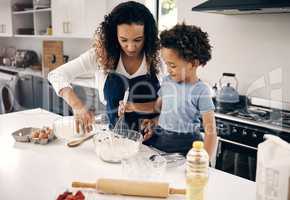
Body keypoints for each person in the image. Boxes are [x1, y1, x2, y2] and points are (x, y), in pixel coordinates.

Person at [48, 1, 161, 133]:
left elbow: (172, 103)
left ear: (147, 36)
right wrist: (77, 105)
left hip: (153, 140)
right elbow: (56, 74)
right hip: (115, 140)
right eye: (123, 40)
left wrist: (156, 121)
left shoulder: (159, 58)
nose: (131, 47)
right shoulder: (100, 55)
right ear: (114, 36)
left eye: (138, 40)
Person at [120, 23, 217, 157]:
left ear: (193, 63)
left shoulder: (201, 91)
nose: (168, 70)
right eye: (166, 64)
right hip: (160, 143)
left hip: (186, 149)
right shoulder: (167, 82)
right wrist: (133, 107)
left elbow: (210, 131)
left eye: (172, 65)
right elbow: (157, 107)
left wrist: (203, 161)